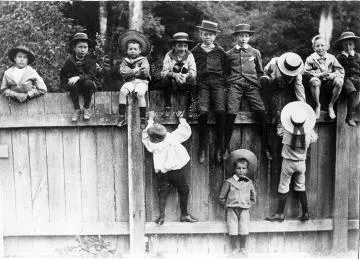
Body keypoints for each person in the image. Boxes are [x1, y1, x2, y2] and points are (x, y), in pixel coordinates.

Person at [224, 24, 272, 161]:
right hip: (235, 85)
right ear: (235, 37)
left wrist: (257, 82)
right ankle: (225, 147)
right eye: (240, 35)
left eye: (246, 35)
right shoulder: (229, 54)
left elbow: (260, 72)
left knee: (261, 111)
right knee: (230, 112)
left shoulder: (255, 52)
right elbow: (226, 73)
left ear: (249, 37)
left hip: (252, 85)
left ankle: (266, 146)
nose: (243, 38)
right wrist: (231, 83)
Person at [142, 110, 198, 225]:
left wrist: (150, 119)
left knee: (163, 193)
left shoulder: (152, 145)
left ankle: (162, 216)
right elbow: (184, 132)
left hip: (162, 173)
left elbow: (145, 135)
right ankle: (184, 215)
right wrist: (181, 118)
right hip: (176, 171)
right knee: (184, 190)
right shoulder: (171, 138)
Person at [266, 101, 317, 222]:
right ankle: (305, 212)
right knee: (301, 186)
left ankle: (280, 213)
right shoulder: (308, 131)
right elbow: (314, 138)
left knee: (283, 186)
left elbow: (279, 133)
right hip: (301, 163)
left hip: (288, 162)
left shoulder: (286, 130)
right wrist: (310, 129)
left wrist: (280, 123)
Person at [191, 20, 228, 163]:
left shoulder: (220, 52)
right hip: (202, 83)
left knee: (220, 112)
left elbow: (226, 70)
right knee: (203, 112)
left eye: (211, 35)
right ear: (201, 34)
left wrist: (223, 83)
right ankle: (202, 148)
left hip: (218, 83)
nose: (208, 37)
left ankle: (219, 148)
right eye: (205, 34)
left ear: (215, 36)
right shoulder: (194, 52)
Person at [60, 32, 108, 122]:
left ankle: (86, 107)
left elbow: (92, 75)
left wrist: (79, 77)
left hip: (88, 86)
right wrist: (65, 87)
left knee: (89, 82)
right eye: (80, 47)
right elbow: (63, 75)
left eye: (85, 47)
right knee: (71, 83)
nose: (83, 50)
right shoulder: (70, 61)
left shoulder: (91, 60)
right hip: (75, 87)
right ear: (74, 48)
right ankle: (77, 109)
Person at [219, 149, 257, 257]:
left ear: (247, 169)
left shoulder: (249, 182)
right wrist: (227, 205)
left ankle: (243, 249)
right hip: (232, 209)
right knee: (232, 228)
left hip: (244, 209)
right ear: (234, 169)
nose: (241, 170)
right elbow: (222, 197)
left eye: (243, 168)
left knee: (244, 227)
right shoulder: (229, 182)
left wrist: (248, 204)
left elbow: (253, 196)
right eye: (239, 168)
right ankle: (234, 249)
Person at [304, 35, 345, 120]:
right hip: (317, 83)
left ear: (327, 47)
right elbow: (306, 72)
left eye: (322, 45)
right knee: (314, 81)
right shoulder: (311, 58)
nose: (320, 48)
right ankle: (318, 105)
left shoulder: (331, 58)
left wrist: (332, 75)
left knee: (339, 82)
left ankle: (331, 105)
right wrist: (318, 75)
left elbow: (341, 71)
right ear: (314, 48)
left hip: (329, 83)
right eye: (317, 46)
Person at [260, 52, 306, 127]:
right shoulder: (273, 63)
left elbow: (299, 87)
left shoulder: (297, 71)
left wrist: (303, 105)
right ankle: (268, 111)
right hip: (273, 85)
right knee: (264, 80)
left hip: (288, 87)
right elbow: (265, 74)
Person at [117, 30, 151, 129]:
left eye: (135, 49)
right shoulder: (125, 61)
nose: (132, 51)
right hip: (130, 81)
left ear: (140, 50)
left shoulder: (143, 60)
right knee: (123, 91)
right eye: (130, 49)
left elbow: (145, 72)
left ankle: (143, 119)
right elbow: (123, 71)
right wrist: (135, 70)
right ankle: (121, 116)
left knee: (140, 94)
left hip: (141, 81)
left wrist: (133, 71)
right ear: (127, 50)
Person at [160, 32, 197, 118]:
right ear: (174, 46)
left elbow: (193, 71)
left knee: (193, 81)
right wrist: (174, 75)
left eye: (185, 46)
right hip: (173, 81)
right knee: (165, 79)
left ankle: (192, 107)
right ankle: (168, 106)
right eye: (180, 46)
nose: (183, 49)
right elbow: (164, 72)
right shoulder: (169, 55)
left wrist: (186, 75)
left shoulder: (189, 55)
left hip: (184, 80)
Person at [335, 31, 360, 126]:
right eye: (345, 45)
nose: (348, 47)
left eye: (350, 44)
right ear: (342, 46)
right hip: (345, 78)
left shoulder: (358, 56)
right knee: (351, 90)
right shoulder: (339, 57)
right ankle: (349, 116)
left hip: (357, 78)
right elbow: (337, 70)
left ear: (354, 45)